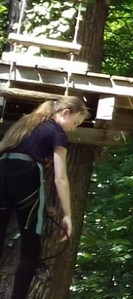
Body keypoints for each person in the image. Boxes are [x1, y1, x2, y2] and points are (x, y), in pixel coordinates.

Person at [0, 96, 89, 299]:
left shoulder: (25, 124)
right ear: (65, 112)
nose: (73, 128)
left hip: (2, 173)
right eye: (75, 122)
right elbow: (60, 178)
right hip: (26, 179)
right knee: (31, 249)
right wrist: (67, 215)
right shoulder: (56, 132)